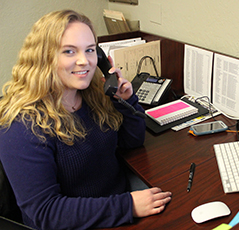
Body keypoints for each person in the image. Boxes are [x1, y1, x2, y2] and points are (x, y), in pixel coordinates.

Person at [0, 10, 172, 230]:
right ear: (44, 57)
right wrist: (127, 206)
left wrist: (125, 100)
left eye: (90, 50)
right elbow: (45, 213)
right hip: (76, 221)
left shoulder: (94, 95)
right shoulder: (20, 126)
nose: (85, 61)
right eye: (69, 51)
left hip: (115, 203)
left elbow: (133, 141)